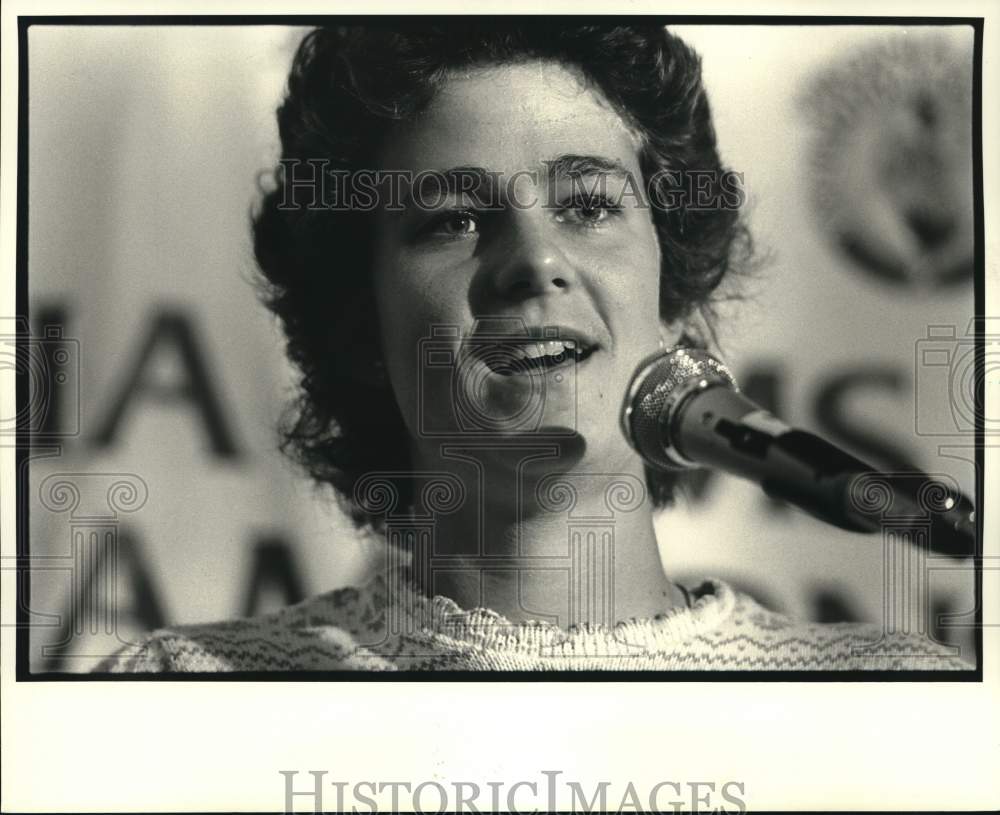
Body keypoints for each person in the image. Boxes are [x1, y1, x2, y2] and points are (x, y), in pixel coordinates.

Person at [96, 22, 970, 672]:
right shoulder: (183, 689)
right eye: (453, 220)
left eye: (587, 204)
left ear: (672, 295)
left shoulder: (887, 694)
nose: (535, 261)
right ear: (361, 324)